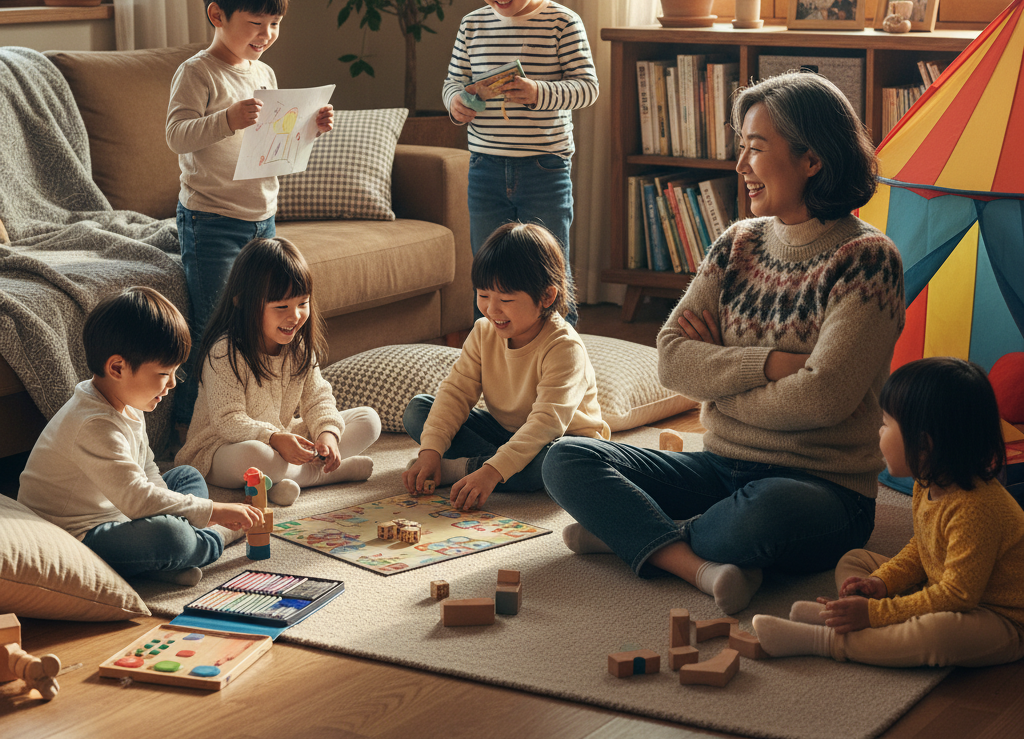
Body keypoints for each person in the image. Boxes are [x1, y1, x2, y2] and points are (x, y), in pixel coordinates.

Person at [543, 71, 905, 615]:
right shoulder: (737, 243)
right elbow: (671, 358)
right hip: (719, 467)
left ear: (812, 159)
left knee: (764, 514)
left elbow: (824, 397)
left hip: (821, 489)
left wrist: (718, 378)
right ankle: (686, 553)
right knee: (566, 459)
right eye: (741, 148)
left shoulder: (868, 260)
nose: (741, 167)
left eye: (756, 149)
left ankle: (636, 533)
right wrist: (774, 364)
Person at [753, 357, 1024, 668]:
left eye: (885, 423)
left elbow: (958, 596)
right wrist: (880, 583)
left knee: (938, 636)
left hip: (999, 615)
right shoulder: (928, 483)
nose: (879, 433)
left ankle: (827, 639)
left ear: (924, 443)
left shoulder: (976, 509)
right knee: (855, 561)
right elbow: (922, 549)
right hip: (943, 586)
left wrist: (875, 612)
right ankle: (851, 613)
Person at [166, 0, 334, 427]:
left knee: (257, 330)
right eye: (256, 22)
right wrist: (227, 119)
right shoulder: (198, 73)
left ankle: (254, 419)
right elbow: (177, 135)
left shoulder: (264, 74)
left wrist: (307, 129)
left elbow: (270, 144)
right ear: (217, 15)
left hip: (262, 216)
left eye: (275, 23)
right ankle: (188, 426)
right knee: (215, 330)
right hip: (212, 218)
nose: (267, 35)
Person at [18, 287, 262, 587]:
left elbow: (148, 474)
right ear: (118, 367)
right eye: (163, 374)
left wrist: (172, 513)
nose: (172, 384)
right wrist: (215, 513)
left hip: (121, 510)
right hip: (79, 536)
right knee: (173, 536)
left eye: (174, 372)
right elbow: (139, 499)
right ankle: (213, 540)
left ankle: (165, 562)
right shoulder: (93, 425)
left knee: (187, 476)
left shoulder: (125, 400)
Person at [442, 0, 599, 326]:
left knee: (548, 271)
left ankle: (560, 358)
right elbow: (453, 83)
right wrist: (456, 104)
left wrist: (538, 93)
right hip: (486, 169)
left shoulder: (562, 23)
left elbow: (587, 88)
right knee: (491, 273)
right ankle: (498, 360)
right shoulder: (472, 26)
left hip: (544, 169)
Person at [402, 221, 609, 511]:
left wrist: (489, 473)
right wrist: (430, 451)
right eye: (483, 295)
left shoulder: (564, 347)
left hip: (560, 444)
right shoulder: (483, 331)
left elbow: (544, 425)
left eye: (506, 299)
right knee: (419, 410)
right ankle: (494, 466)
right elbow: (456, 393)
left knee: (555, 464)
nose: (491, 309)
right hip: (505, 434)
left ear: (547, 297)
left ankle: (464, 469)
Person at [176, 238, 381, 506]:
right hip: (221, 449)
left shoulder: (299, 348)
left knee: (369, 420)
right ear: (242, 301)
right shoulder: (224, 351)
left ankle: (281, 483)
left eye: (302, 303)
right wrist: (273, 438)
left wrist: (326, 435)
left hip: (283, 438)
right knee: (255, 455)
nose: (295, 316)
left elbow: (318, 399)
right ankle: (324, 475)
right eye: (281, 307)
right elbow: (228, 419)